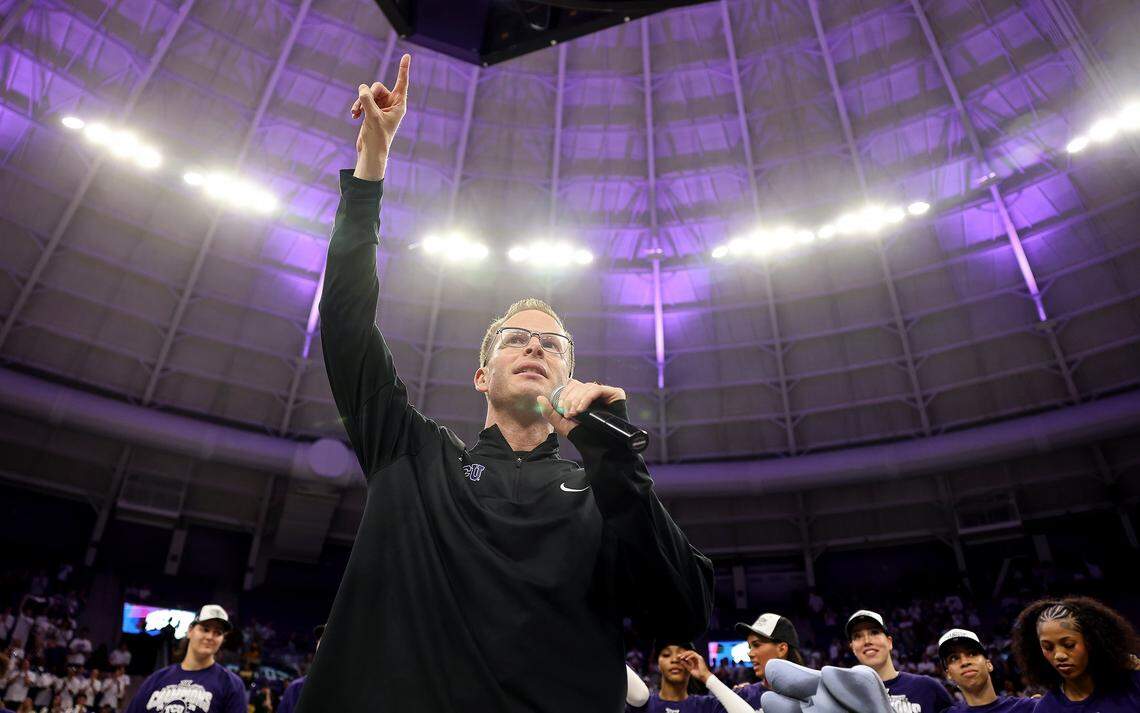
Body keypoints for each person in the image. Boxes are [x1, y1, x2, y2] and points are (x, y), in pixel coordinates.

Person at [296, 53, 713, 713]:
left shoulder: (603, 495)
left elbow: (684, 608)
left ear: (567, 377)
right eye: (515, 338)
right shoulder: (413, 455)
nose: (534, 344)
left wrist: (614, 459)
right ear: (481, 374)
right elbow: (345, 323)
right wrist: (371, 168)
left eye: (552, 343)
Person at [1012, 596, 1140, 712]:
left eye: (1069, 645)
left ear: (1092, 640)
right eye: (1048, 647)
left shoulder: (1131, 683)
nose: (1059, 655)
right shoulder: (1046, 709)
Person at [123, 605, 246, 713]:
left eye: (218, 633)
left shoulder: (231, 684)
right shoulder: (157, 679)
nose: (210, 636)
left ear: (222, 640)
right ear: (190, 631)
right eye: (205, 629)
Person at [847, 609, 953, 713]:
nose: (867, 641)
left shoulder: (927, 688)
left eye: (874, 632)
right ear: (852, 648)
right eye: (858, 636)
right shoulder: (844, 697)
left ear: (889, 642)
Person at [628, 642, 753, 713]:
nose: (674, 659)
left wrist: (707, 676)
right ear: (657, 664)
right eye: (666, 654)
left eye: (683, 656)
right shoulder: (642, 703)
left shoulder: (707, 706)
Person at [937, 629, 1035, 712]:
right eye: (954, 658)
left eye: (972, 653)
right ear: (948, 674)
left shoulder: (1029, 708)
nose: (965, 662)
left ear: (989, 664)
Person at [732, 612, 804, 703]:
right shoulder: (743, 696)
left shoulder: (814, 696)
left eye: (756, 645)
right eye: (750, 647)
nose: (750, 653)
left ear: (782, 649)